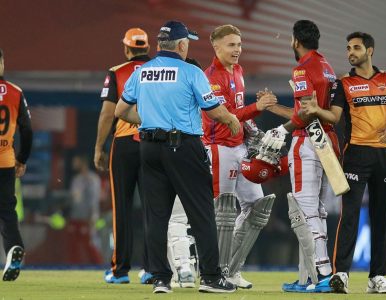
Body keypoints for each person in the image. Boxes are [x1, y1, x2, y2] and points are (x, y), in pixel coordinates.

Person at [115, 20, 240, 294]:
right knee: (202, 213)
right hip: (183, 146)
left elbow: (121, 111)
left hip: (148, 148)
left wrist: (147, 120)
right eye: (188, 43)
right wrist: (232, 120)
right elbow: (213, 109)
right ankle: (210, 277)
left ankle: (160, 278)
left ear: (160, 45)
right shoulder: (191, 72)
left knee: (156, 215)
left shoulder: (142, 72)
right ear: (182, 45)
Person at [301, 31, 386, 294]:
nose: (351, 52)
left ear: (369, 51)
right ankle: (342, 275)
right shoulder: (343, 83)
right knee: (349, 216)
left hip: (384, 155)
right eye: (348, 48)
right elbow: (334, 117)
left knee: (381, 218)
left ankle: (377, 277)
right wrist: (315, 110)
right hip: (356, 155)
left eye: (356, 47)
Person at [258, 20, 338, 293]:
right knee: (317, 210)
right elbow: (306, 111)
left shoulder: (302, 68)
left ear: (295, 41)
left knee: (305, 212)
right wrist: (276, 107)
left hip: (307, 143)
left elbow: (304, 115)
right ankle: (309, 278)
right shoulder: (326, 67)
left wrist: (283, 128)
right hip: (326, 142)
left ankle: (324, 273)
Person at [202, 24, 278, 289]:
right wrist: (257, 107)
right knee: (222, 212)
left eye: (239, 44)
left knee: (257, 208)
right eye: (231, 45)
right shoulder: (211, 77)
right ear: (216, 46)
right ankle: (213, 272)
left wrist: (253, 119)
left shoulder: (238, 70)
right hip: (219, 148)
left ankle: (231, 269)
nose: (237, 50)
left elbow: (237, 114)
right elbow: (224, 117)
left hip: (239, 147)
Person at [94, 28, 153, 284]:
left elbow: (108, 114)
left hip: (124, 144)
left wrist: (98, 147)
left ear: (127, 49)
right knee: (155, 208)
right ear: (148, 48)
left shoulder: (116, 72)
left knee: (123, 208)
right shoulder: (162, 71)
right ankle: (153, 268)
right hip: (154, 142)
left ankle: (119, 271)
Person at [0, 48, 33, 281]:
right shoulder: (15, 92)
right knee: (7, 212)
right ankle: (13, 248)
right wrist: (22, 159)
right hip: (5, 162)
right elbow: (27, 131)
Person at [68, 154, 102, 264]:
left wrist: (92, 217)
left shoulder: (93, 179)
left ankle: (98, 266)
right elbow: (74, 199)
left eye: (76, 161)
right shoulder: (76, 179)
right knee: (74, 245)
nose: (73, 164)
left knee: (90, 245)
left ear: (83, 162)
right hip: (76, 217)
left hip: (88, 219)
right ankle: (74, 268)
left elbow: (94, 199)